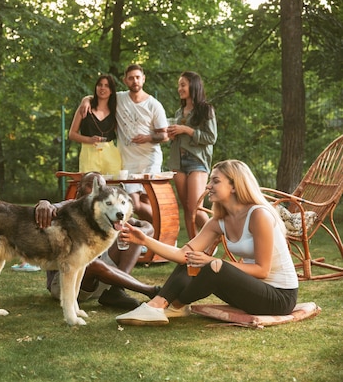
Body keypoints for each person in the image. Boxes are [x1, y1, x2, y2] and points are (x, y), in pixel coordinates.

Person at [115, 160, 298, 326]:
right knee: (191, 259)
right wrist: (143, 239)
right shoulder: (219, 221)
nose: (208, 186)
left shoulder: (258, 215)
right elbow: (181, 255)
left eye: (215, 181)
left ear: (234, 186)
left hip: (279, 297)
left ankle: (175, 305)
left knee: (215, 265)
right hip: (251, 292)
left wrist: (210, 262)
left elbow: (262, 270)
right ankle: (157, 305)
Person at [35, 172, 160, 309]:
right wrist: (43, 203)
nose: (97, 189)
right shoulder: (70, 207)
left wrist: (140, 233)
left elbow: (147, 226)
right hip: (63, 282)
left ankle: (116, 291)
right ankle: (151, 291)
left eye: (101, 186)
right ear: (79, 189)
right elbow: (51, 207)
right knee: (88, 261)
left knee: (132, 235)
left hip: (100, 278)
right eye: (90, 185)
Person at [78, 64, 168, 222]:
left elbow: (165, 136)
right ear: (125, 80)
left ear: (143, 79)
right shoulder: (119, 98)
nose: (135, 81)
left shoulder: (154, 105)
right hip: (128, 160)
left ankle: (157, 236)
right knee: (134, 205)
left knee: (148, 202)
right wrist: (86, 100)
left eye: (138, 77)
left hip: (150, 159)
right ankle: (161, 229)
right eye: (131, 78)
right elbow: (101, 95)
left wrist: (147, 138)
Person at [167, 71, 217, 239]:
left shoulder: (205, 109)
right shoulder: (179, 113)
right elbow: (177, 138)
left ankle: (219, 236)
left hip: (197, 161)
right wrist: (172, 135)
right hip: (178, 162)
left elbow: (211, 137)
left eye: (183, 85)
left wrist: (187, 130)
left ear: (193, 86)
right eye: (179, 85)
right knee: (188, 208)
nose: (179, 88)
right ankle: (192, 246)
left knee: (196, 207)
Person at [68, 74, 121, 176]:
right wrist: (89, 140)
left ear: (111, 91)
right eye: (100, 85)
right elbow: (72, 134)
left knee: (113, 186)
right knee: (89, 187)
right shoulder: (84, 108)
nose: (102, 88)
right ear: (96, 87)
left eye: (107, 85)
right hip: (89, 152)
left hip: (110, 152)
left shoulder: (115, 109)